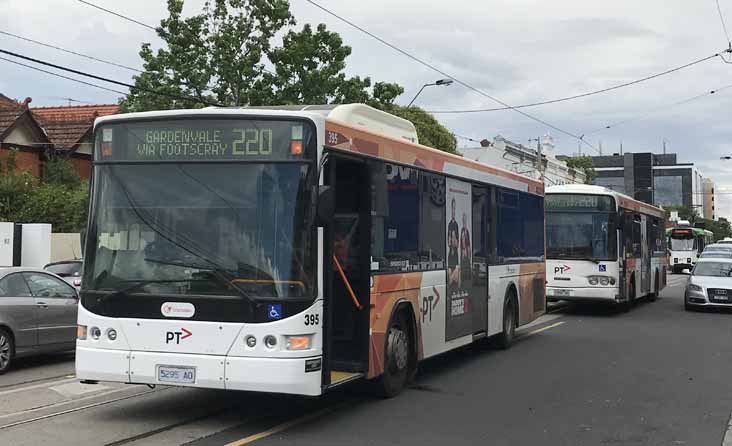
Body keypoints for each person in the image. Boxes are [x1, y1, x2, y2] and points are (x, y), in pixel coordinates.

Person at [447, 197, 460, 287]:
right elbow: (449, 240)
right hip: (450, 254)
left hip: (454, 254)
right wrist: (451, 239)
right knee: (450, 277)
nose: (453, 211)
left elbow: (457, 242)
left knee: (455, 279)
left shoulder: (456, 224)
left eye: (454, 208)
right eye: (452, 208)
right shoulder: (449, 224)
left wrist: (454, 240)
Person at [460, 212, 472, 282]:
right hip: (463, 255)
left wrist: (469, 257)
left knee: (467, 274)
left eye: (464, 219)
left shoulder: (467, 231)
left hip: (466, 255)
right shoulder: (462, 230)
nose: (463, 221)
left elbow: (469, 245)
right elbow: (461, 244)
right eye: (463, 219)